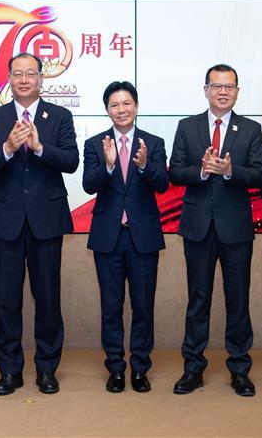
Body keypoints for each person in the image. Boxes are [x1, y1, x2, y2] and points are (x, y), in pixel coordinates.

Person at [0, 53, 79, 395]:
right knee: (6, 301)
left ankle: (47, 370)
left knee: (47, 299)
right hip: (6, 220)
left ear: (41, 79)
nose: (23, 80)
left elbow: (71, 161)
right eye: (17, 74)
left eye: (30, 74)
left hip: (46, 219)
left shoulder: (60, 116)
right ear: (8, 78)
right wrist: (7, 147)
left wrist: (38, 147)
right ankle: (9, 371)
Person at [168, 64, 262, 397]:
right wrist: (201, 171)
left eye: (229, 87)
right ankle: (193, 368)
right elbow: (175, 172)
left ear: (237, 91)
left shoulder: (251, 129)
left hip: (235, 228)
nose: (223, 92)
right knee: (198, 299)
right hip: (197, 227)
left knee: (238, 300)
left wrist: (229, 171)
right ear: (206, 90)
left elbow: (259, 175)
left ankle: (240, 369)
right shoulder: (187, 127)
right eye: (216, 86)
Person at [82, 81, 168, 394]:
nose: (122, 110)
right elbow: (89, 185)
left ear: (136, 106)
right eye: (115, 105)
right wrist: (107, 165)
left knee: (143, 306)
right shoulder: (95, 143)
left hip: (142, 236)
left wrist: (144, 166)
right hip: (108, 237)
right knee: (111, 306)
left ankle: (140, 368)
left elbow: (162, 184)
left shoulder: (153, 143)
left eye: (127, 103)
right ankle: (116, 368)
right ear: (107, 109)